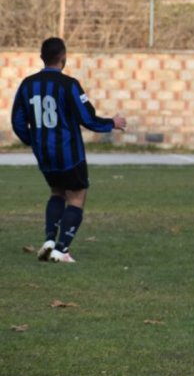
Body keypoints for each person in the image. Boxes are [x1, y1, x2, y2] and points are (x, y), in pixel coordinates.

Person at [10, 37, 127, 263]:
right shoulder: (69, 85)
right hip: (68, 154)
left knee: (57, 193)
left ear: (41, 57)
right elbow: (87, 118)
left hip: (44, 155)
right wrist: (112, 123)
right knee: (76, 196)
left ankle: (49, 240)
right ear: (64, 57)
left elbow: (17, 121)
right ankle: (61, 250)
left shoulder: (27, 84)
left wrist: (34, 141)